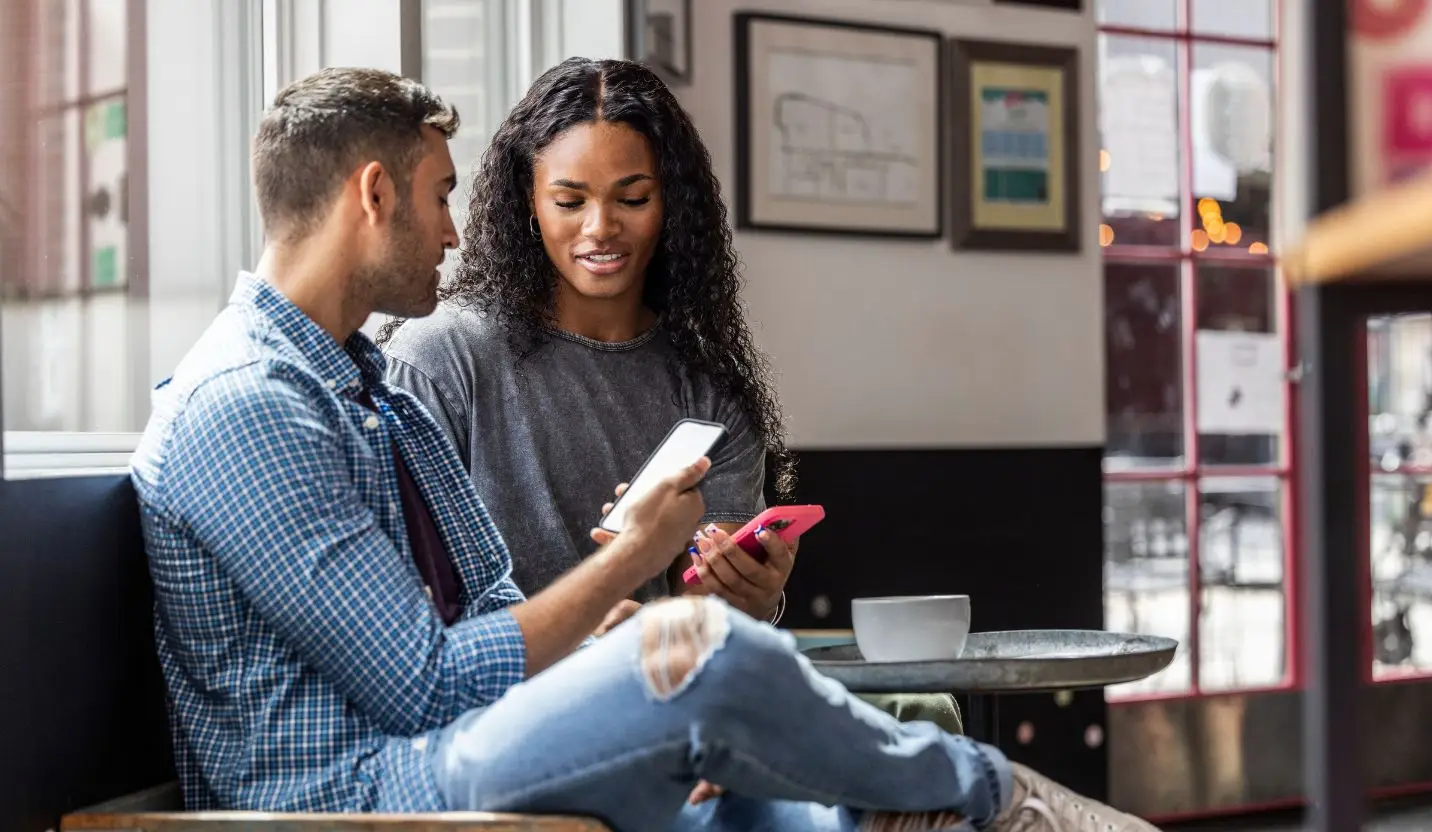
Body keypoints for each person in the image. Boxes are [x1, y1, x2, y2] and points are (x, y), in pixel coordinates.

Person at [131, 65, 1158, 832]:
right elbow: (423, 683)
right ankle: (999, 798)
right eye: (442, 194)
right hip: (363, 790)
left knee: (755, 771)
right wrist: (633, 561)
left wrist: (613, 632)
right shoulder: (249, 407)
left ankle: (928, 808)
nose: (455, 235)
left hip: (446, 746)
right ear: (372, 195)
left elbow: (477, 613)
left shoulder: (356, 388)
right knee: (698, 657)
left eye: (628, 197)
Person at [378, 56, 961, 735]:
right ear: (527, 205)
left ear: (671, 205)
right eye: (570, 202)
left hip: (671, 710)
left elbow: (716, 628)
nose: (600, 228)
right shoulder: (442, 361)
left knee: (924, 718)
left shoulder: (708, 389)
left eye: (632, 199)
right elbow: (404, 621)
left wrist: (752, 595)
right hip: (501, 720)